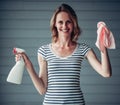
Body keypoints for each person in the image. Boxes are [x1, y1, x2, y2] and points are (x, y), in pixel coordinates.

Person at [16, 3, 112, 105]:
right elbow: (42, 90)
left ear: (73, 24)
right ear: (55, 24)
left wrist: (103, 46)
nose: (64, 26)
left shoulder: (83, 49)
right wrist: (28, 65)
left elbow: (106, 73)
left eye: (68, 22)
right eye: (60, 22)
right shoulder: (43, 51)